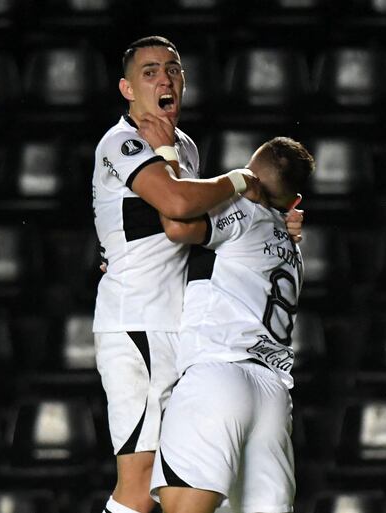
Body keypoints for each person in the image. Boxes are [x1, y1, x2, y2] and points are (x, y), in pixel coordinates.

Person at [92, 37, 303, 513]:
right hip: (140, 319)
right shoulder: (122, 140)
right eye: (148, 72)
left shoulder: (181, 147)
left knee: (182, 484)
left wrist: (273, 218)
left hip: (181, 327)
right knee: (139, 480)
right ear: (127, 88)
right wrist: (241, 181)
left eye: (172, 69)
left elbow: (201, 229)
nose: (163, 78)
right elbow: (178, 206)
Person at [150, 137, 314, 513]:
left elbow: (176, 220)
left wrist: (167, 158)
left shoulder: (243, 210)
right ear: (295, 203)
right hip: (271, 395)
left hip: (219, 373)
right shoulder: (293, 249)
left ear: (250, 178)